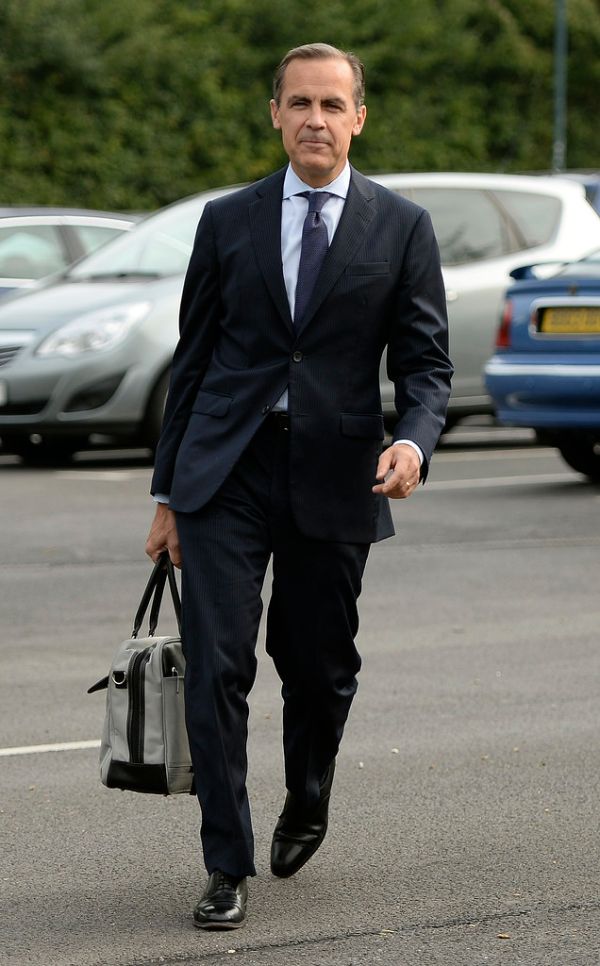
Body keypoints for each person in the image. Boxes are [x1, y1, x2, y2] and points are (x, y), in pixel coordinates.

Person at [145, 42, 452, 930]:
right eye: (298, 103)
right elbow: (193, 364)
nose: (315, 119)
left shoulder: (401, 226)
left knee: (316, 669)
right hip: (224, 469)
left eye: (332, 104)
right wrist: (167, 495)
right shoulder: (227, 221)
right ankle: (225, 862)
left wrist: (413, 443)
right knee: (218, 667)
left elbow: (428, 364)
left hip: (338, 472)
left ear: (359, 117)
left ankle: (308, 795)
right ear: (273, 114)